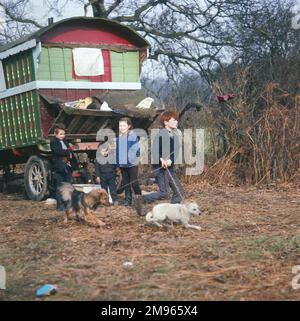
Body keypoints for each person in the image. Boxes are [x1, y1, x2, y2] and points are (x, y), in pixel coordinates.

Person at [143, 110, 184, 204]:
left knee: (179, 192)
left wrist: (170, 161)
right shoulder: (160, 134)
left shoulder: (175, 136)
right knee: (164, 193)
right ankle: (142, 199)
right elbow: (154, 151)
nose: (176, 122)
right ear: (166, 122)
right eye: (173, 120)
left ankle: (173, 211)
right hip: (159, 168)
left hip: (170, 168)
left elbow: (175, 153)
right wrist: (161, 160)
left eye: (176, 120)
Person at [115, 117, 143, 215]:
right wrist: (117, 165)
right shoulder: (118, 139)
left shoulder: (133, 137)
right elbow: (117, 152)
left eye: (124, 125)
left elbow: (137, 150)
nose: (121, 128)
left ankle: (139, 199)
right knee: (126, 183)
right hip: (123, 165)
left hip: (132, 164)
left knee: (134, 182)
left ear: (129, 126)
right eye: (120, 126)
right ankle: (128, 200)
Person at [50, 123, 77, 211]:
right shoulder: (54, 142)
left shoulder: (65, 142)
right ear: (56, 134)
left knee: (68, 185)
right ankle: (60, 205)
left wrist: (74, 165)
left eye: (63, 134)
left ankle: (68, 204)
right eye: (60, 134)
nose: (62, 136)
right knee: (60, 186)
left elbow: (71, 154)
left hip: (67, 167)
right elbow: (58, 151)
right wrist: (68, 151)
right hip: (59, 167)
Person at [95, 140, 118, 206]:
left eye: (106, 151)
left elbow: (114, 166)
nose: (105, 153)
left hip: (111, 175)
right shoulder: (98, 159)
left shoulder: (111, 157)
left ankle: (115, 200)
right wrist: (98, 176)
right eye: (103, 151)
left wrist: (116, 171)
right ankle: (105, 202)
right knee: (104, 190)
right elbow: (97, 169)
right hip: (102, 176)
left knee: (112, 188)